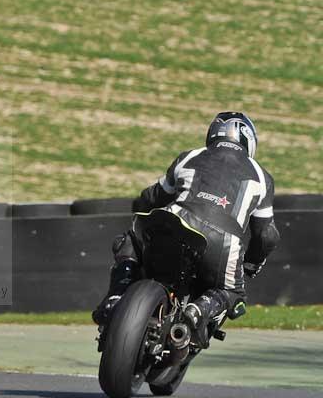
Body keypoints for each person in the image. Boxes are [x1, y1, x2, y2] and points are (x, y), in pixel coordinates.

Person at [92, 112, 280, 347]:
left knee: (129, 242)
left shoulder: (190, 156)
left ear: (211, 134)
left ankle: (115, 297)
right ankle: (199, 309)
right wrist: (251, 264)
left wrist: (143, 215)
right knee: (233, 293)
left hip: (176, 222)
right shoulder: (263, 177)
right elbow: (267, 235)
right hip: (223, 244)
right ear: (249, 141)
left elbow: (151, 196)